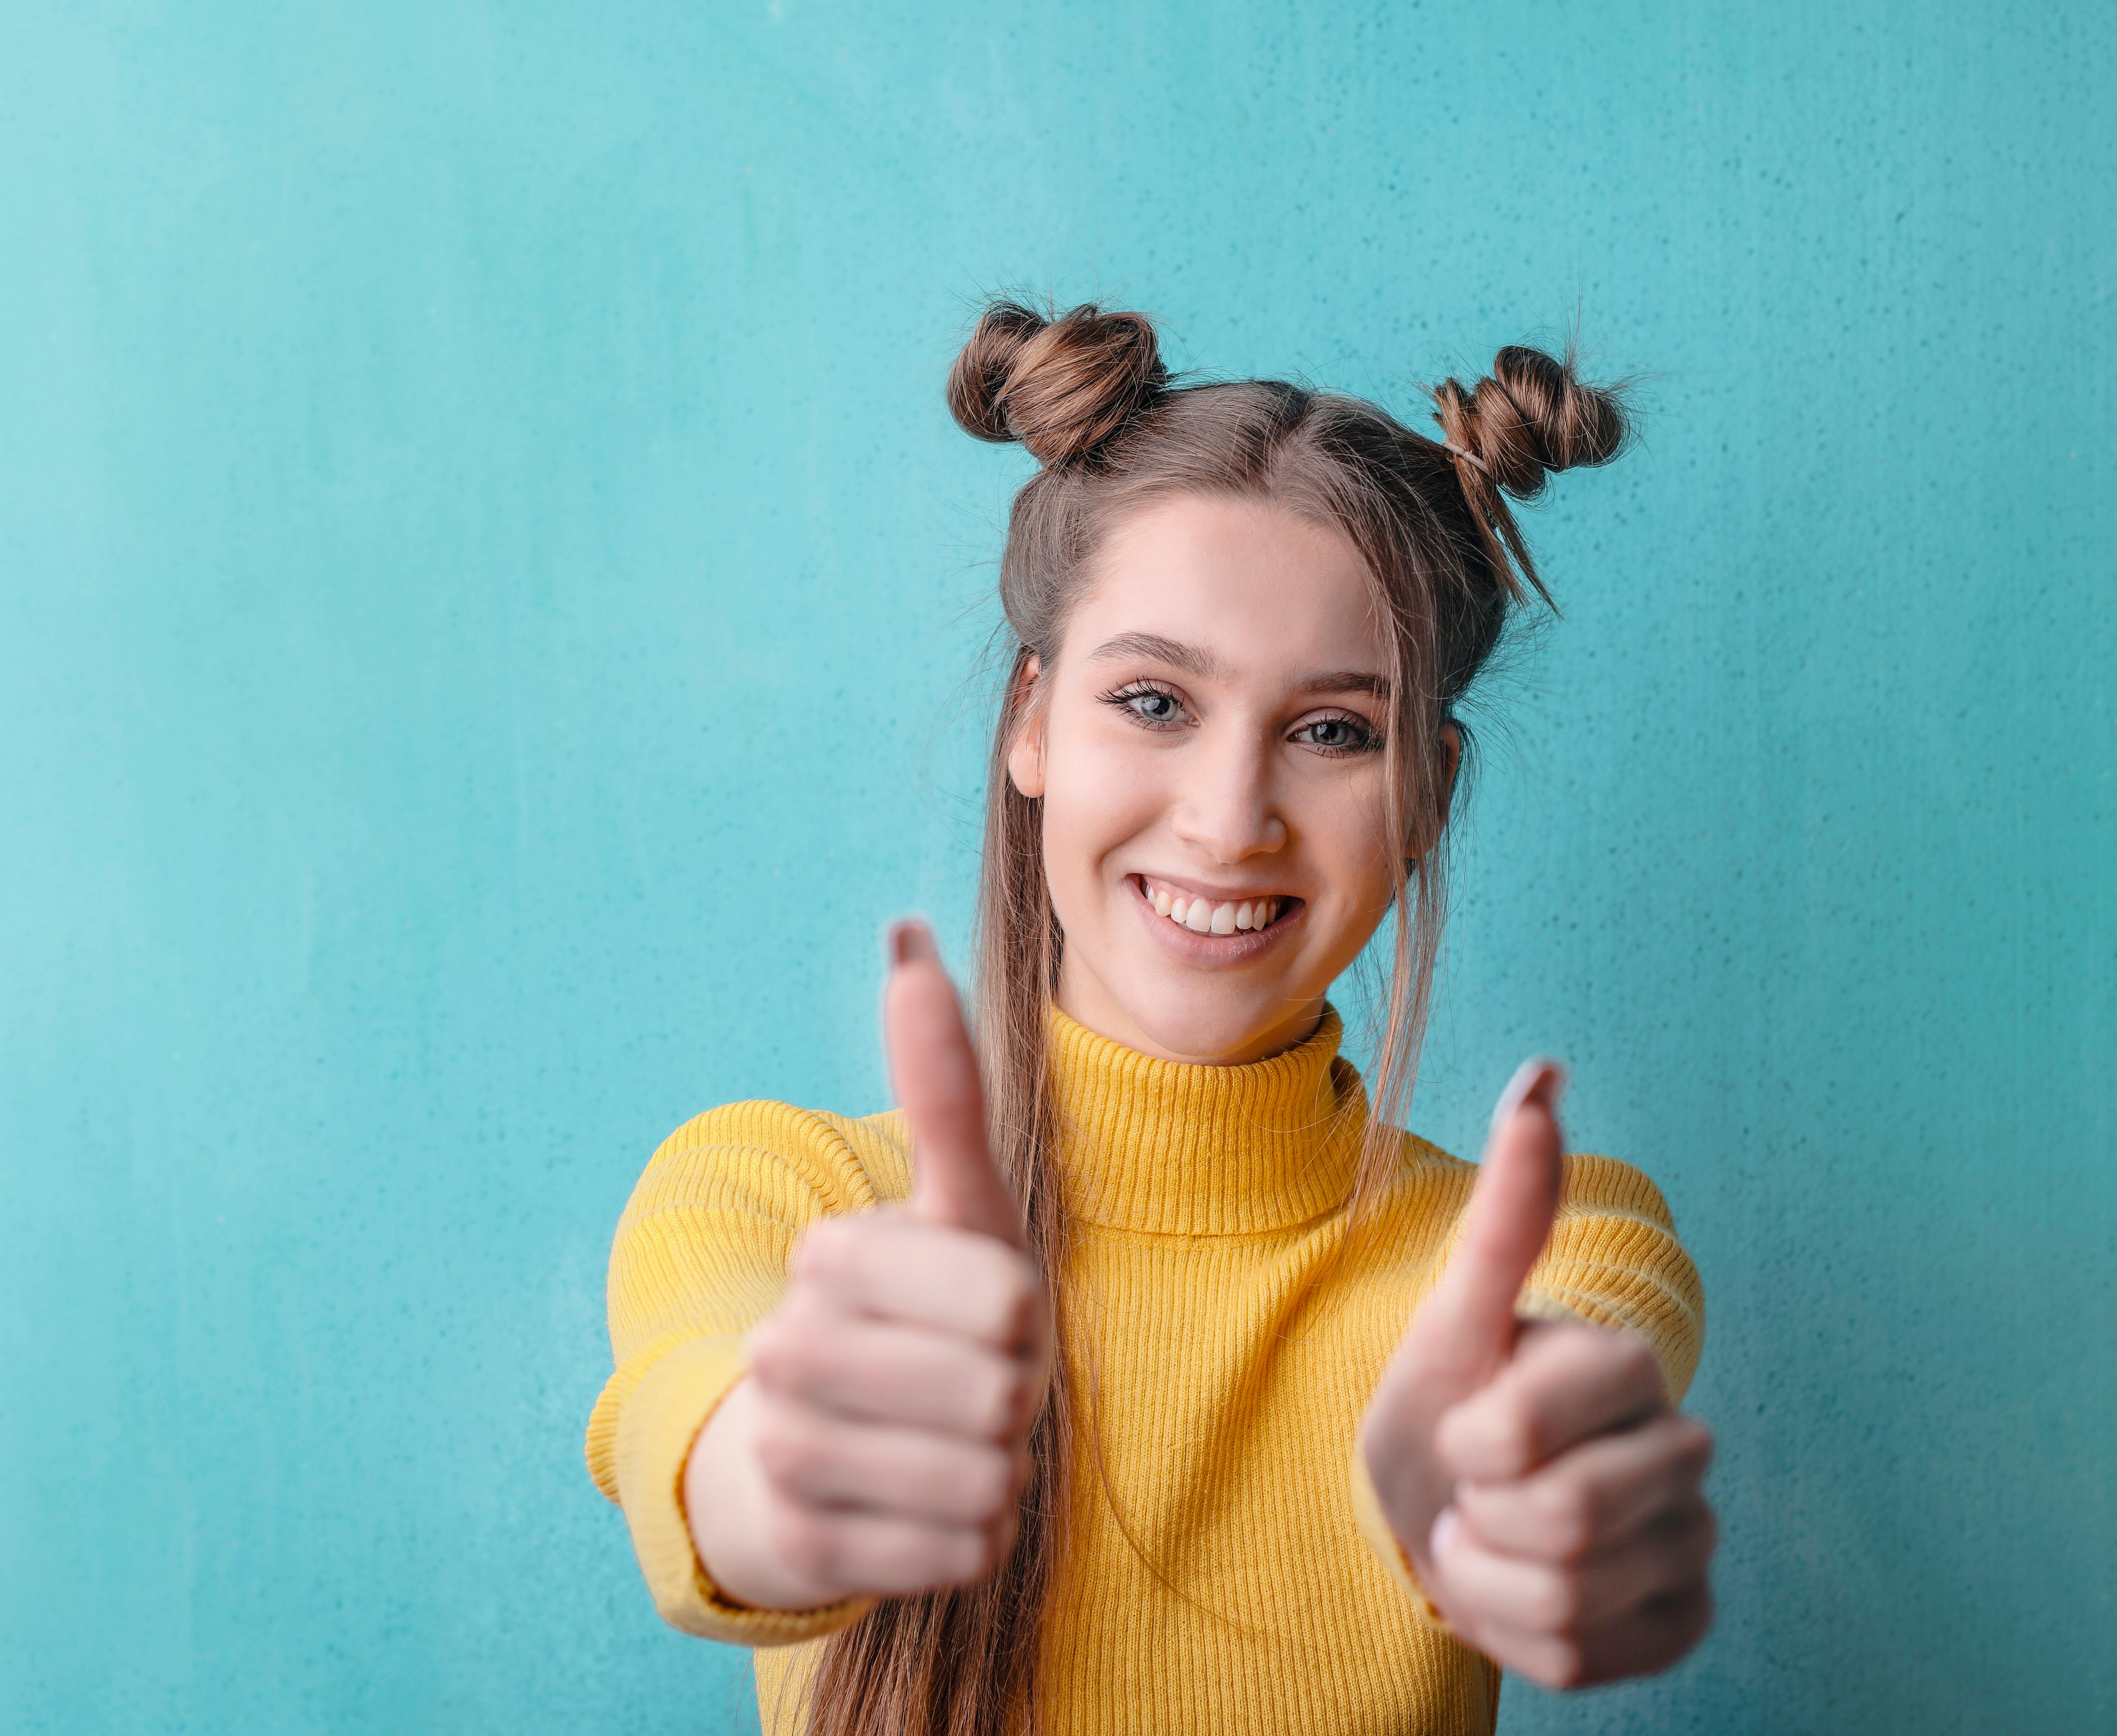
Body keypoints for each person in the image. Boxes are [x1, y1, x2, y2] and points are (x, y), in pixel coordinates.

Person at [584, 301, 1716, 1736]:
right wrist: (784, 1475)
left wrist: (1527, 1462)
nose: (1227, 819)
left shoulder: (1540, 1238)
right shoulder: (774, 1195)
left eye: (1330, 732)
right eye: (1152, 700)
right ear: (1036, 721)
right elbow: (712, 1439)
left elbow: (1582, 1350)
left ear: (1424, 791)